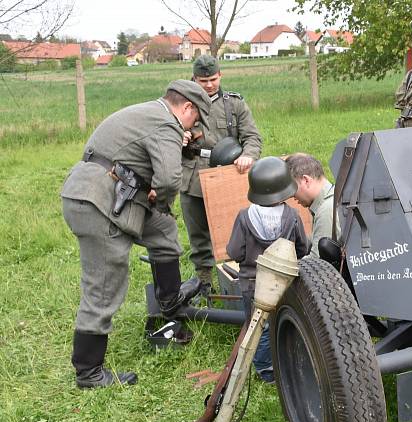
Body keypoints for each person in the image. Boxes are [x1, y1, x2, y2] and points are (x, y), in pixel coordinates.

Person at [61, 80, 212, 389]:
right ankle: (89, 373)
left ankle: (169, 299)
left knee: (164, 230)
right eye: (195, 120)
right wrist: (161, 196)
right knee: (104, 284)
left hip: (106, 194)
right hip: (99, 204)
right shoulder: (165, 124)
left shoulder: (149, 113)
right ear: (187, 108)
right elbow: (169, 180)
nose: (193, 126)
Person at [182, 54, 263, 293]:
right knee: (199, 236)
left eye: (213, 79)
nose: (208, 85)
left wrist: (248, 155)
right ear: (193, 79)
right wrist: (180, 137)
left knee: (235, 231)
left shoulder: (234, 104)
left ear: (221, 76)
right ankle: (204, 285)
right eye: (202, 80)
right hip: (193, 176)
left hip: (227, 174)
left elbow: (252, 137)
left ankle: (241, 282)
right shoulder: (182, 105)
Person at [226, 157, 310, 381]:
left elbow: (234, 252)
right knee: (283, 322)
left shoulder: (244, 217)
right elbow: (302, 248)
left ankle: (265, 368)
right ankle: (283, 361)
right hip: (282, 283)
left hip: (252, 283)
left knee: (255, 327)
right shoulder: (292, 216)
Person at [285, 153, 337, 257]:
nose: (292, 196)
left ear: (306, 180)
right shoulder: (333, 197)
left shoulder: (327, 210)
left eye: (292, 189)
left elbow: (317, 263)